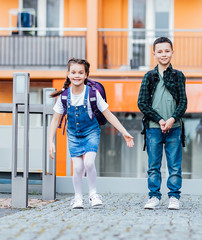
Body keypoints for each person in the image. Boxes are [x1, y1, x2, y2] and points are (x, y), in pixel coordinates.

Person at [48, 58, 134, 209]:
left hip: (91, 132)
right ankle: (78, 197)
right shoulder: (63, 96)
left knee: (88, 163)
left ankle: (93, 194)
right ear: (68, 74)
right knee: (77, 168)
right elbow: (55, 120)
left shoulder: (93, 93)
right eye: (73, 72)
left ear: (86, 75)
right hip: (73, 134)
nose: (77, 75)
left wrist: (124, 132)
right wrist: (50, 141)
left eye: (81, 72)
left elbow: (109, 115)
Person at [138, 37, 187, 210]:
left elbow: (183, 103)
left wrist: (172, 118)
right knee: (153, 166)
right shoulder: (149, 76)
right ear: (154, 54)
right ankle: (154, 196)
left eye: (167, 51)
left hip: (174, 128)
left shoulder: (178, 76)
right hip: (153, 128)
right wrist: (159, 119)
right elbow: (142, 103)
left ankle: (174, 197)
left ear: (172, 52)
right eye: (160, 51)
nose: (163, 54)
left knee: (174, 166)